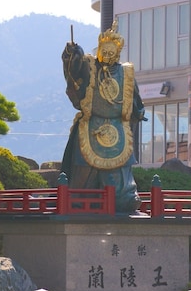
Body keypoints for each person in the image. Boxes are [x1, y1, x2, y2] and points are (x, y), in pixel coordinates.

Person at [61, 20, 143, 214]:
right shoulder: (89, 66)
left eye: (111, 53)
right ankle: (79, 201)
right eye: (104, 52)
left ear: (118, 54)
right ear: (98, 50)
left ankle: (124, 198)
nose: (107, 56)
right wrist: (72, 56)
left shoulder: (126, 72)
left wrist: (138, 113)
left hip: (118, 129)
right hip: (91, 126)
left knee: (121, 171)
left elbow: (135, 101)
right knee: (84, 169)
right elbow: (76, 73)